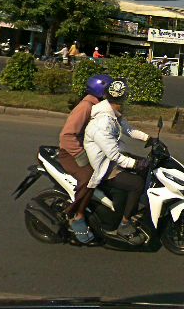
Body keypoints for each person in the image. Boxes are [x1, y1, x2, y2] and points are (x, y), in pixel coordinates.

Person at [84, 78, 150, 244]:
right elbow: (114, 155)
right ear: (119, 101)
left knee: (146, 166)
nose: (126, 102)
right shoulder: (103, 123)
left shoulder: (112, 113)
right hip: (104, 166)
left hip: (111, 159)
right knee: (137, 184)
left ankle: (131, 207)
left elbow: (129, 130)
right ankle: (124, 224)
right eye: (125, 99)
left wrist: (149, 139)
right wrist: (134, 164)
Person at [58, 74, 114, 244]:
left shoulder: (101, 107)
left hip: (90, 151)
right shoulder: (85, 107)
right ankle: (76, 214)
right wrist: (83, 157)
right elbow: (67, 136)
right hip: (71, 153)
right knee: (91, 176)